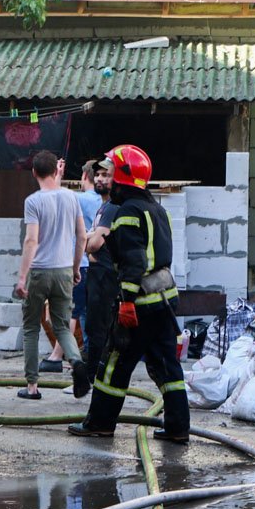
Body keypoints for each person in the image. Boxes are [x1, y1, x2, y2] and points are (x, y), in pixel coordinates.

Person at [68, 144, 190, 443]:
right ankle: (178, 427)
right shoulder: (157, 209)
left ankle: (99, 423)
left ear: (122, 177)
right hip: (163, 301)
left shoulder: (128, 212)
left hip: (139, 306)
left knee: (114, 364)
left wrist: (126, 302)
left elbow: (134, 261)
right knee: (166, 366)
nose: (105, 178)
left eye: (109, 173)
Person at [15, 150, 91, 400]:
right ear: (56, 172)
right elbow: (82, 236)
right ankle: (77, 365)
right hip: (63, 271)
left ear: (34, 172)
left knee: (30, 329)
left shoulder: (33, 201)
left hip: (39, 271)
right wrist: (76, 267)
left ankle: (32, 387)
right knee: (62, 326)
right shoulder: (71, 197)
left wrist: (22, 277)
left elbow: (31, 240)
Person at [48, 160, 101, 376]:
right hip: (96, 266)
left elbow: (55, 196)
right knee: (87, 315)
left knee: (69, 314)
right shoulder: (104, 201)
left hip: (80, 264)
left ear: (85, 177)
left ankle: (60, 357)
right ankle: (86, 358)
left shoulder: (83, 199)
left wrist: (58, 174)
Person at [77, 158, 119, 393]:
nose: (101, 179)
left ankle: (95, 379)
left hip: (105, 277)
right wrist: (90, 236)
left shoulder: (112, 207)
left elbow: (93, 245)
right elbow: (91, 239)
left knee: (99, 329)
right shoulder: (103, 207)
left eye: (107, 175)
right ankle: (93, 378)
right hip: (95, 275)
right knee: (92, 328)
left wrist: (88, 237)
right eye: (99, 175)